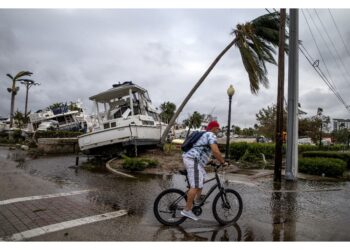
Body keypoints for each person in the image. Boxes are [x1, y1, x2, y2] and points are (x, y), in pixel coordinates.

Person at [180, 120, 227, 221]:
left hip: (193, 159)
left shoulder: (205, 135)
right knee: (196, 185)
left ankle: (196, 200)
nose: (218, 130)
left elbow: (202, 150)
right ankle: (187, 210)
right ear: (214, 128)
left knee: (201, 179)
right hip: (193, 160)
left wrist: (210, 161)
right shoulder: (211, 135)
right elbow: (215, 151)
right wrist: (223, 162)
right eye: (218, 128)